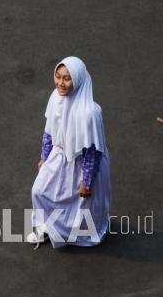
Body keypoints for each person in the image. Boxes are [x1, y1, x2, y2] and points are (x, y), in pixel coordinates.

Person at [26, 56, 111, 247]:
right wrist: (44, 156)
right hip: (59, 156)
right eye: (58, 76)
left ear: (78, 80)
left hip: (83, 164)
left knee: (82, 205)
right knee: (39, 191)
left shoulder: (90, 113)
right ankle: (45, 227)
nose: (60, 83)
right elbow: (49, 130)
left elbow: (93, 151)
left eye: (67, 78)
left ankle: (85, 234)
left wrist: (87, 182)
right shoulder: (56, 98)